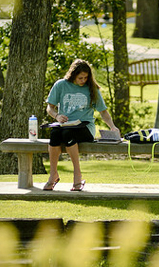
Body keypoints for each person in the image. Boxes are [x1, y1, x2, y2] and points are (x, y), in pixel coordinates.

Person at [43, 59, 120, 191]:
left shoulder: (92, 89)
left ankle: (77, 174)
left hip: (85, 127)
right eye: (80, 78)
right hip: (65, 125)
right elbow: (49, 108)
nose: (83, 80)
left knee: (68, 134)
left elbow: (103, 112)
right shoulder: (61, 85)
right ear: (72, 75)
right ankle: (53, 174)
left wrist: (112, 126)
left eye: (86, 77)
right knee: (55, 134)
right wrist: (57, 116)